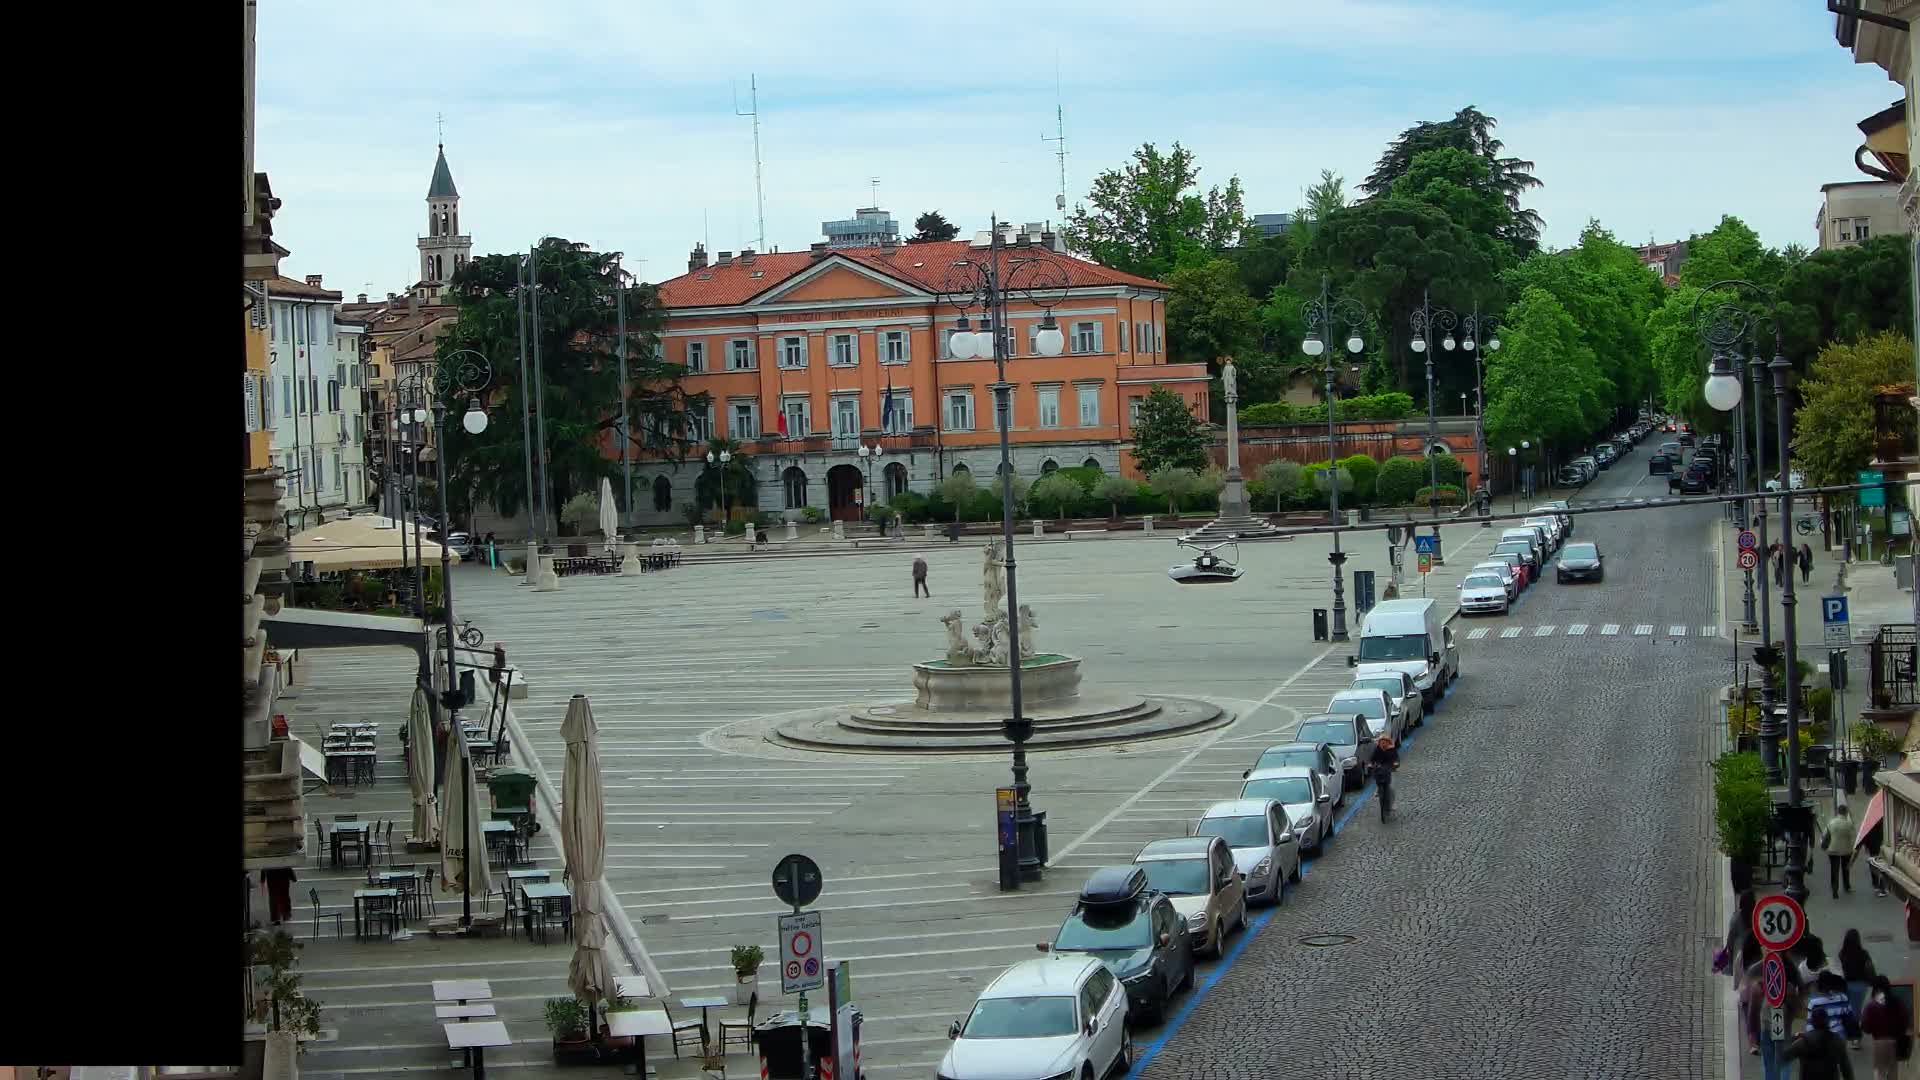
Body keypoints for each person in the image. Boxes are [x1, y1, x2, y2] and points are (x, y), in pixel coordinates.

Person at [1860, 974, 1913, 1080]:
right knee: (1893, 1071)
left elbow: (1866, 1027)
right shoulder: (1897, 1002)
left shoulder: (1872, 1005)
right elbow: (1905, 1019)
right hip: (1895, 1041)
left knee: (1880, 1072)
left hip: (1879, 1041)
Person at [1781, 1016, 1854, 1080]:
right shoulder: (1837, 1041)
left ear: (1812, 1022)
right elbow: (1845, 1067)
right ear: (1827, 1022)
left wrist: (1793, 1038)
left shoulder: (1803, 1042)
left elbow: (1784, 1057)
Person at [1838, 929, 1877, 1044]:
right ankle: (1855, 1038)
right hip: (1861, 985)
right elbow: (1869, 968)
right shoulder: (1863, 953)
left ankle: (1850, 1034)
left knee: (1848, 1010)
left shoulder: (1842, 953)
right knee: (1856, 1011)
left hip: (1846, 984)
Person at [1820, 801, 1857, 900]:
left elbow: (1824, 835)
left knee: (1834, 870)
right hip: (1846, 850)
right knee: (1846, 869)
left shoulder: (1831, 823)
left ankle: (1835, 890)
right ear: (1846, 813)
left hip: (1833, 850)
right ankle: (1847, 886)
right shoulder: (1849, 824)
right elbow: (1853, 837)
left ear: (1838, 812)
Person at [1370, 734, 1400, 822]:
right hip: (1379, 771)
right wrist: (1371, 764)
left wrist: (1396, 764)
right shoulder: (1377, 750)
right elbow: (1372, 759)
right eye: (1381, 742)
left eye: (1385, 742)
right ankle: (1378, 790)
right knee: (1378, 782)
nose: (1383, 744)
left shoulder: (1391, 750)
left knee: (1391, 788)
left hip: (1388, 770)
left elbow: (1396, 759)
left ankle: (1392, 803)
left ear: (1388, 742)